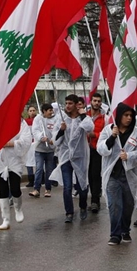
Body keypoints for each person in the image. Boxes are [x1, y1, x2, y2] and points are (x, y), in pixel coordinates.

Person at [98, 102, 137, 245]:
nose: (129, 118)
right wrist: (112, 137)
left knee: (128, 205)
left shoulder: (136, 132)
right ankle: (115, 234)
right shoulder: (108, 130)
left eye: (131, 115)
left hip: (129, 176)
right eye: (126, 115)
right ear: (119, 116)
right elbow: (100, 149)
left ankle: (125, 230)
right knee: (115, 205)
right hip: (112, 175)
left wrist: (129, 156)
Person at [52, 94, 94, 222]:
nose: (67, 106)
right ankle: (69, 212)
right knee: (67, 186)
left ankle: (82, 206)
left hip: (80, 156)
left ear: (76, 104)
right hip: (65, 157)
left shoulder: (83, 118)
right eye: (66, 103)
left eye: (70, 103)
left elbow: (90, 128)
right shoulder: (61, 119)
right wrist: (61, 130)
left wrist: (82, 115)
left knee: (82, 185)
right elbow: (56, 141)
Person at [0, 115, 33, 230]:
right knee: (3, 190)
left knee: (15, 188)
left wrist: (11, 143)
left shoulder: (21, 123)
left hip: (14, 160)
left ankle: (18, 209)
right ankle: (6, 219)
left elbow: (26, 140)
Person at [30, 103, 59, 198]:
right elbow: (35, 130)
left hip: (50, 150)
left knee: (49, 170)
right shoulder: (38, 119)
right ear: (44, 111)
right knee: (39, 169)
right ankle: (36, 189)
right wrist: (41, 137)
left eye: (52, 110)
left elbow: (56, 132)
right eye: (49, 110)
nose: (51, 112)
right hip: (39, 150)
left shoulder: (55, 119)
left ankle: (48, 189)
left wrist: (53, 140)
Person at [87, 93, 107, 213]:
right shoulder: (85, 115)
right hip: (85, 148)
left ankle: (95, 201)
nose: (97, 103)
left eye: (99, 101)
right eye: (95, 101)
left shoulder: (104, 116)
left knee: (95, 174)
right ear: (91, 101)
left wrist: (96, 135)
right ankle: (91, 197)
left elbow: (106, 131)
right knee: (88, 174)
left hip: (97, 148)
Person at [23, 105, 38, 188]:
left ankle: (40, 178)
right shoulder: (25, 122)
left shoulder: (38, 120)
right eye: (30, 111)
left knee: (38, 162)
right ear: (28, 112)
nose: (32, 112)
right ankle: (31, 180)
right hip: (29, 145)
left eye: (33, 110)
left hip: (36, 144)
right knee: (28, 162)